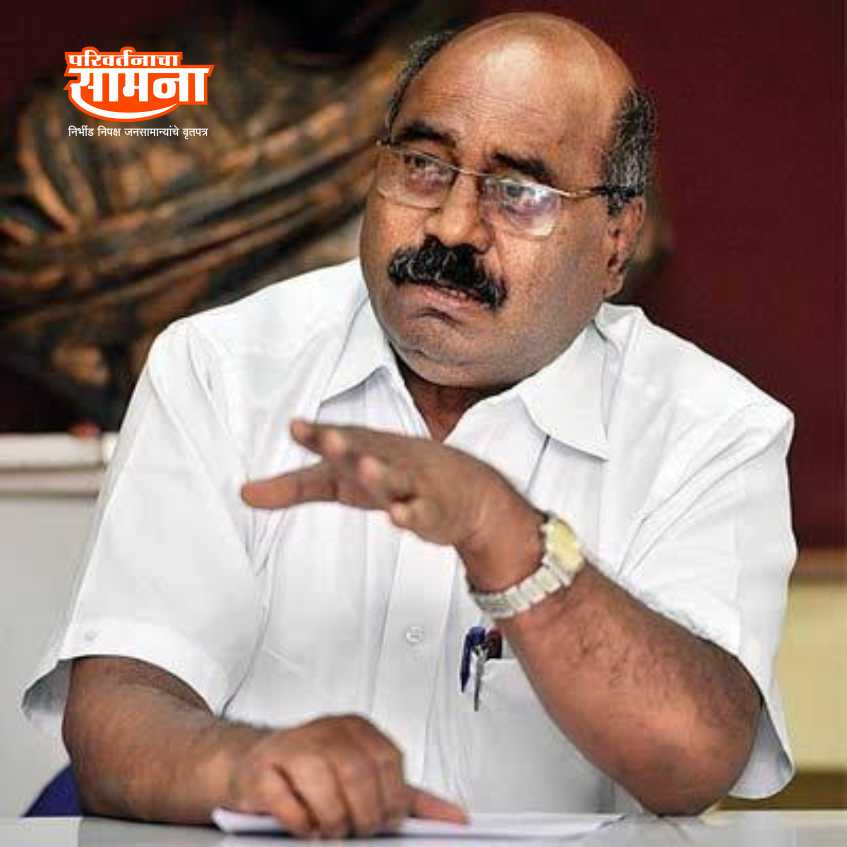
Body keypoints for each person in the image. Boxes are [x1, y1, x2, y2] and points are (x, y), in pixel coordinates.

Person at [23, 12, 796, 839]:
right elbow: (118, 708)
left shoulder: (710, 428)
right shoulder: (222, 367)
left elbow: (693, 759)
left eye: (519, 191)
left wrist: (509, 538)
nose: (452, 227)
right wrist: (248, 767)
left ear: (615, 241)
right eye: (423, 166)